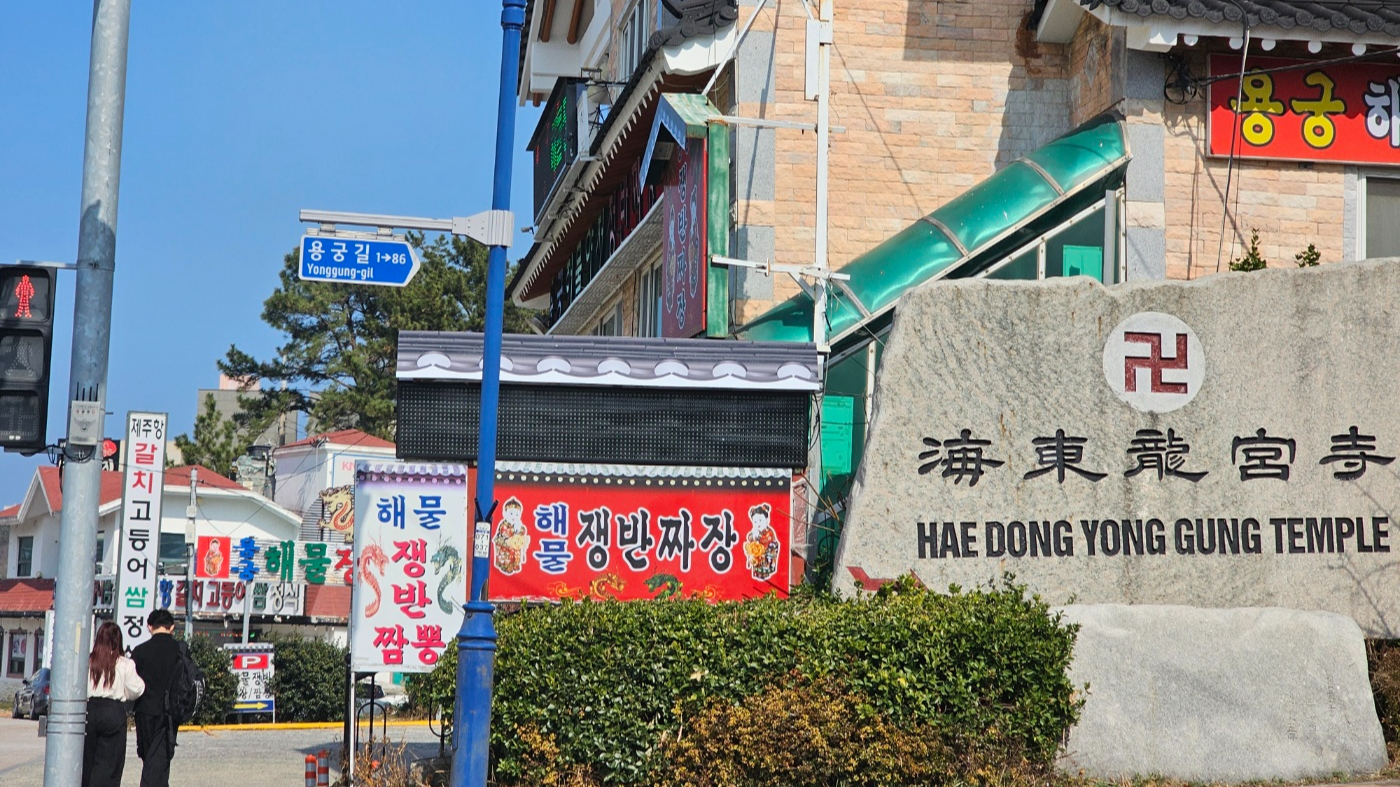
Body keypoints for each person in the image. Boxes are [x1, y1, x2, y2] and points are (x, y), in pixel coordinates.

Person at [83, 621, 144, 787]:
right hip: (113, 712)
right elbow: (137, 689)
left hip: (89, 710)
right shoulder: (124, 663)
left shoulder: (88, 661)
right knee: (111, 763)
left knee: (87, 759)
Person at [131, 609, 182, 787]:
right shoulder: (180, 650)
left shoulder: (139, 651)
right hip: (170, 712)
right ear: (172, 627)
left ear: (149, 627)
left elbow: (133, 683)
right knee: (161, 759)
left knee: (149, 758)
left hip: (144, 711)